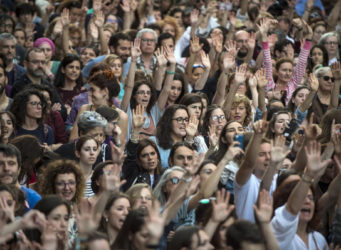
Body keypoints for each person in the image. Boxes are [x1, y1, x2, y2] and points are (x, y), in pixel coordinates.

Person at [0, 143, 41, 210]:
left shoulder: (33, 199)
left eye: (11, 163)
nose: (6, 168)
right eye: (0, 164)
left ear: (19, 169)